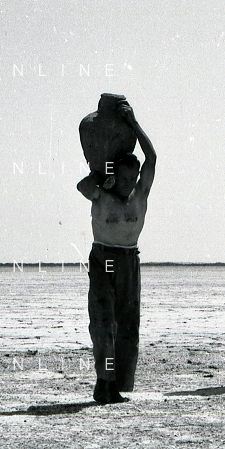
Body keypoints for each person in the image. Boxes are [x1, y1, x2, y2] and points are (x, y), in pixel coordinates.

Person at [76, 100, 156, 404]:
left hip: (129, 260)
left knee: (127, 326)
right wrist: (101, 177)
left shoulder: (140, 193)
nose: (127, 184)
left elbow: (152, 157)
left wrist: (133, 123)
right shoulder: (101, 192)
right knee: (104, 322)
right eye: (123, 178)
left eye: (132, 178)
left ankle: (118, 385)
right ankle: (103, 382)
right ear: (114, 174)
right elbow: (82, 186)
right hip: (104, 258)